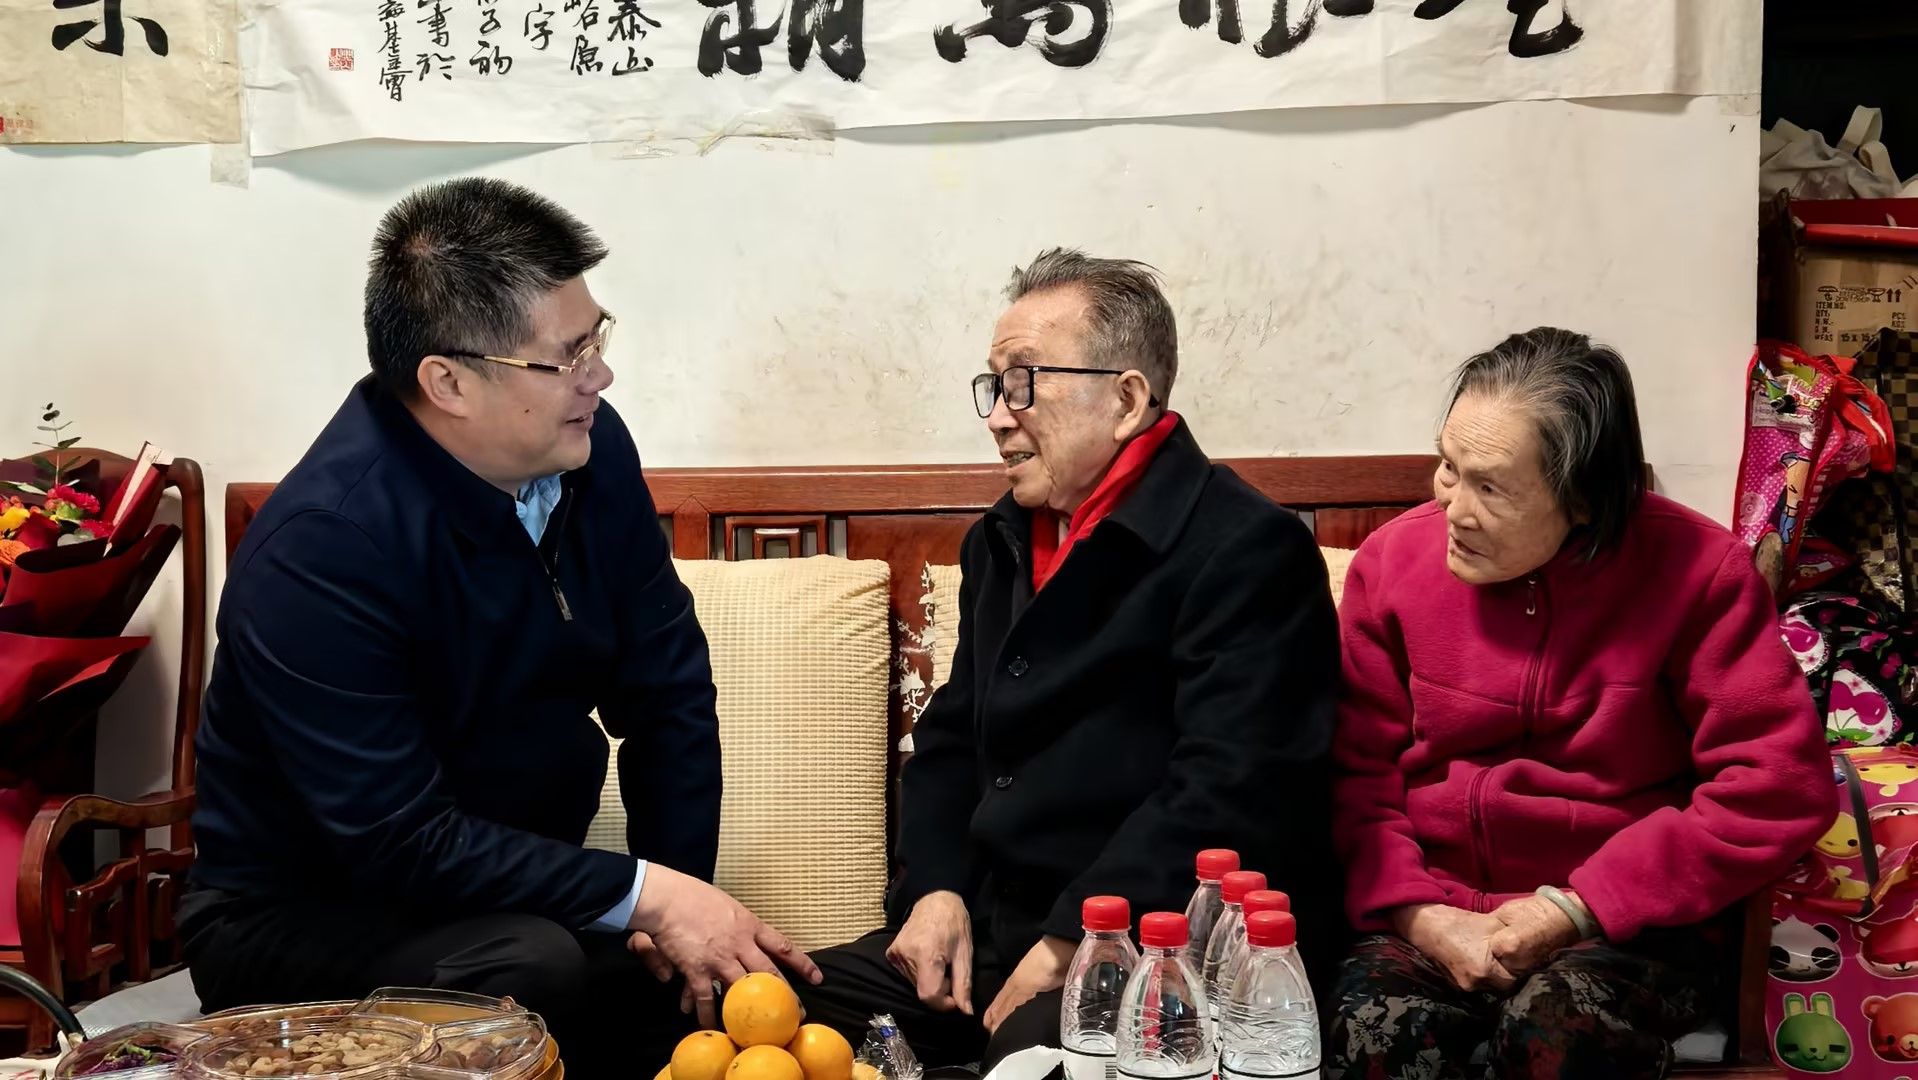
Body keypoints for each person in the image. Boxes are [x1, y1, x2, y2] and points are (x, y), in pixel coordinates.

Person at [183, 178, 818, 1070]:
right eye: (567, 356)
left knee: (715, 984)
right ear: (447, 381)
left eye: (597, 337)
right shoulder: (323, 548)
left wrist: (672, 904)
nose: (600, 376)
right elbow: (399, 839)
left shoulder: (589, 451)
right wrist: (647, 897)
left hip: (506, 904)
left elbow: (670, 691)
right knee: (531, 970)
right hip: (307, 920)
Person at [794, 249, 1345, 1070]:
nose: (997, 416)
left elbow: (1230, 790)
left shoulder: (1248, 550)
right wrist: (935, 891)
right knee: (759, 1002)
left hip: (1150, 953)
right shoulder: (1001, 540)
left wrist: (1068, 942)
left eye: (1023, 383)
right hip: (990, 935)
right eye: (993, 386)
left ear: (1126, 399)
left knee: (1032, 1063)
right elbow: (950, 741)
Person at [1326, 328, 1832, 1079]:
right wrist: (1420, 914)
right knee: (1380, 1035)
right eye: (1448, 467)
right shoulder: (1391, 564)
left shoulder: (1702, 575)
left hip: (1624, 923)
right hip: (1432, 909)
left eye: (1491, 488)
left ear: (1587, 499)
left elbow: (1778, 787)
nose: (1454, 510)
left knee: (1556, 1034)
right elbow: (1353, 775)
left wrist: (1575, 908)